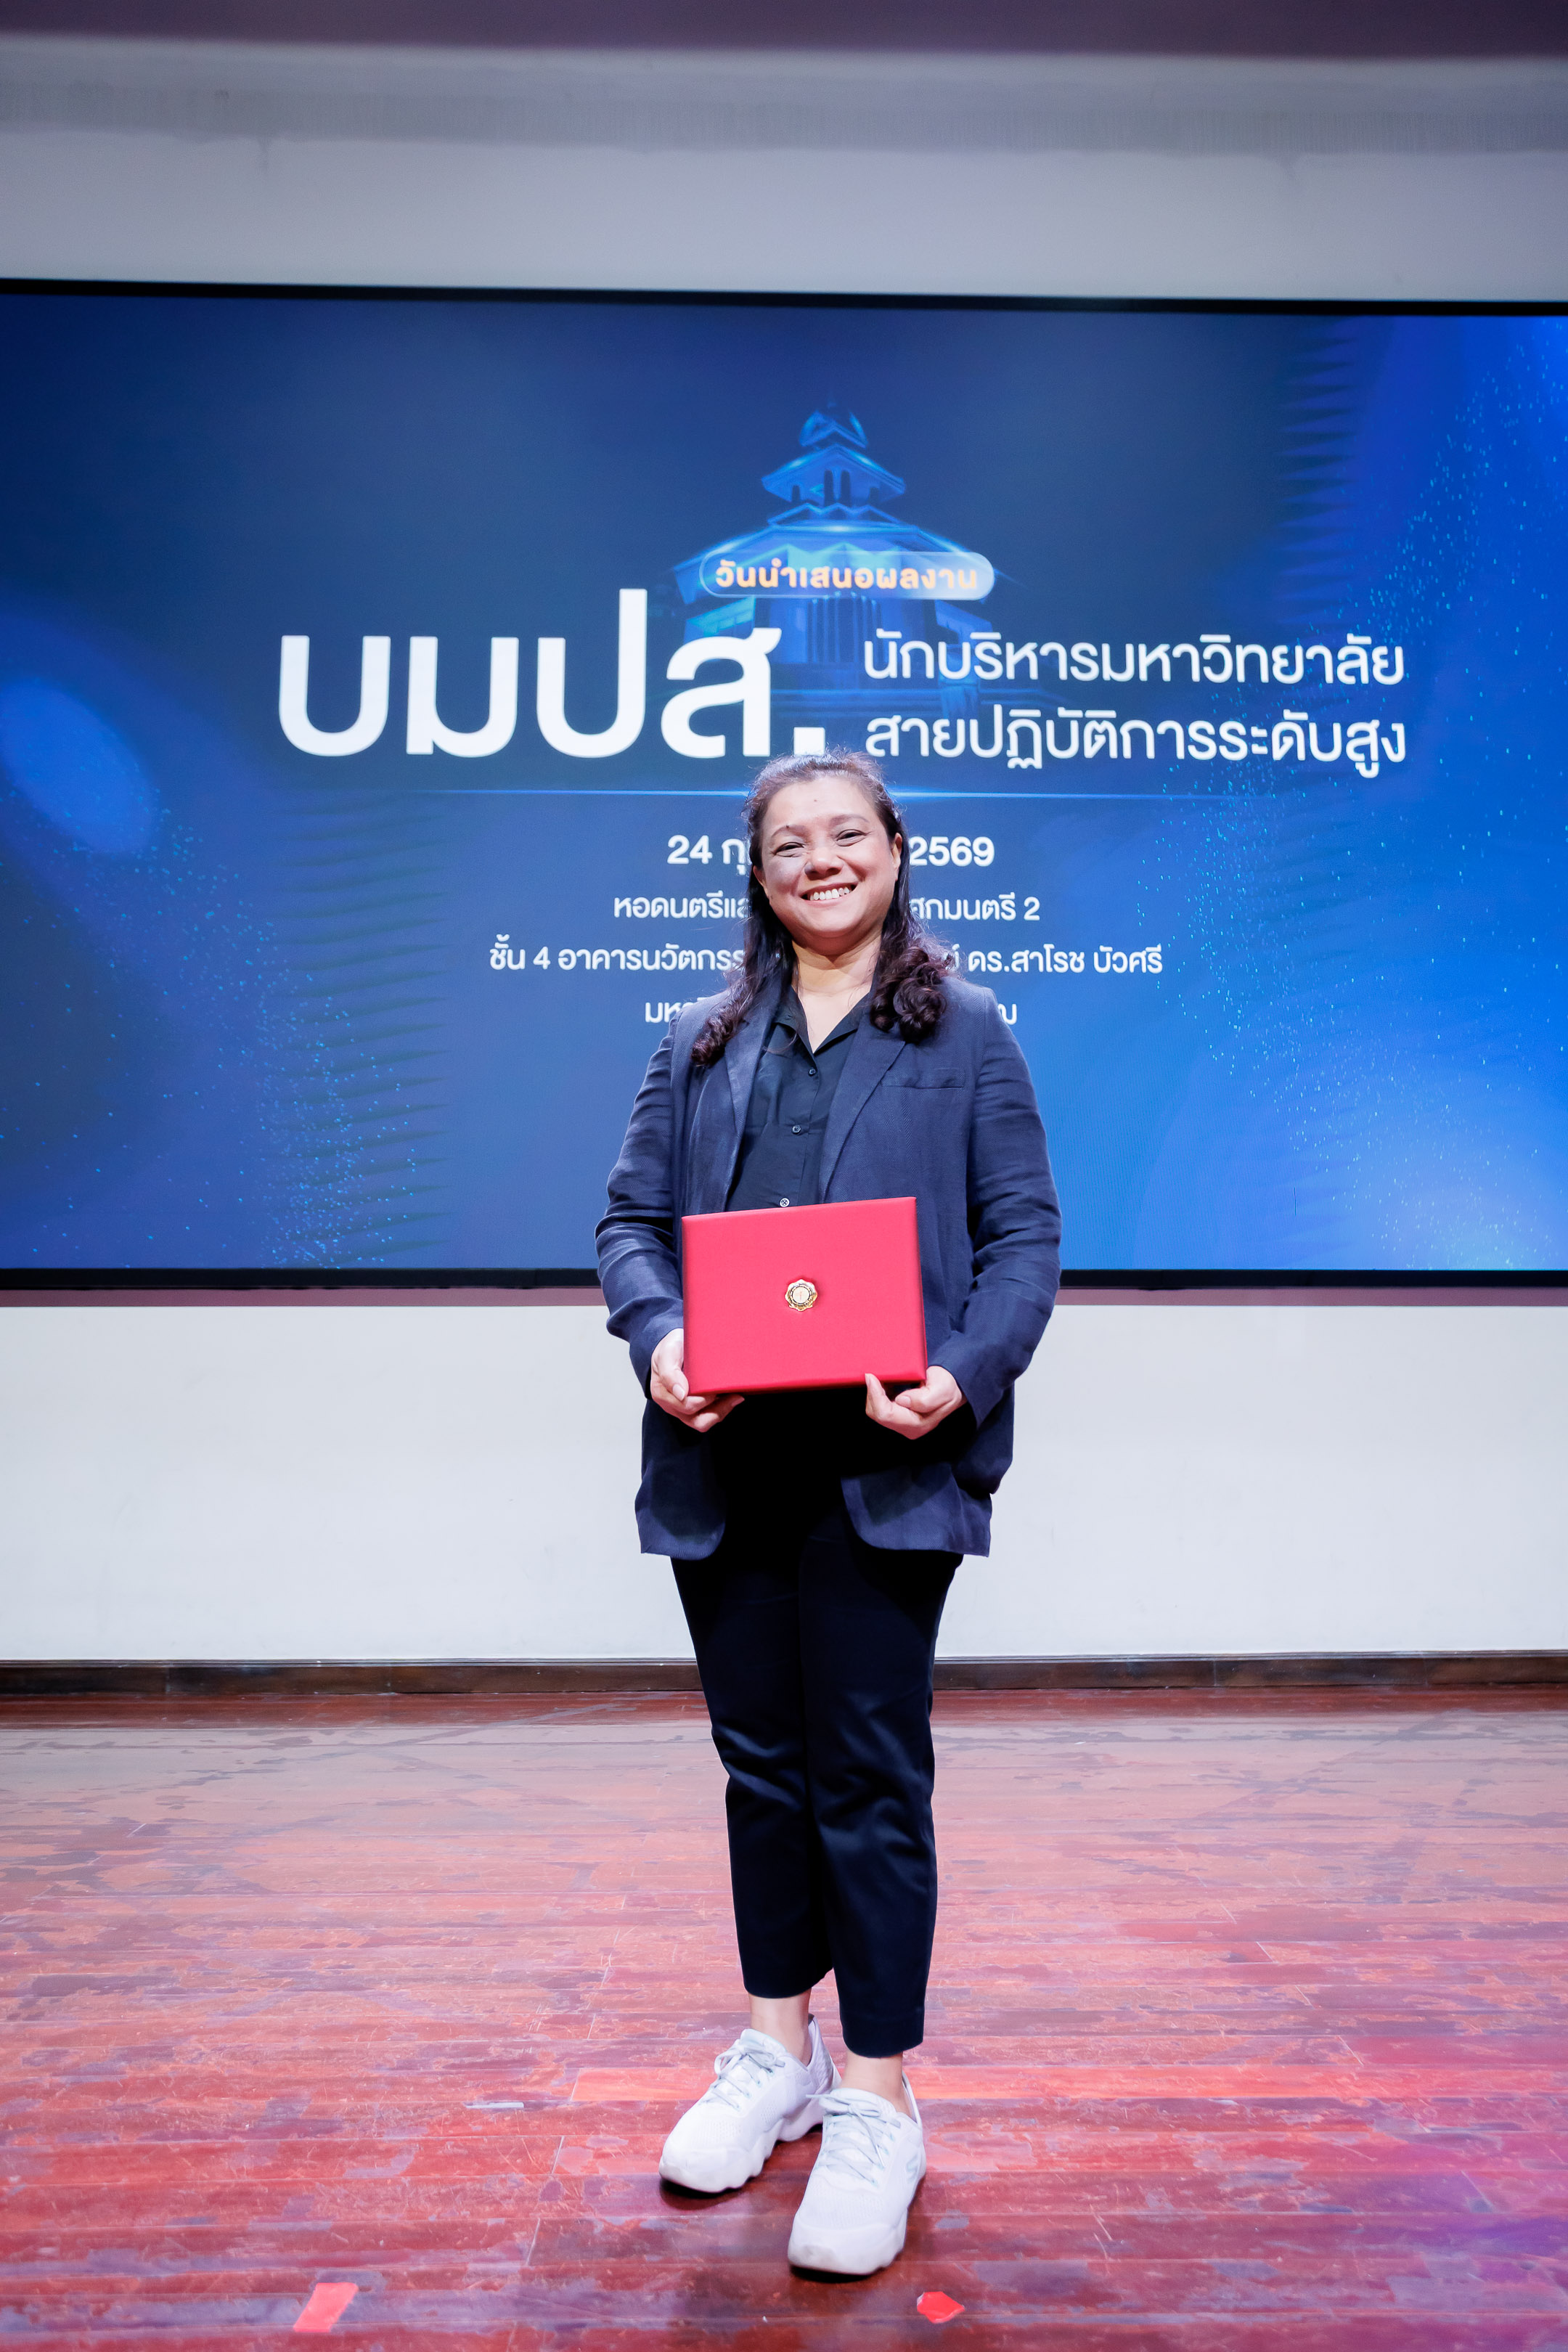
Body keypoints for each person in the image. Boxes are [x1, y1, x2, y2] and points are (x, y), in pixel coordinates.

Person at [597, 748, 1061, 2277]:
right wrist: (660, 1338)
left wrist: (963, 1373)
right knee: (760, 1773)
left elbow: (1023, 1242)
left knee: (869, 1777)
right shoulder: (698, 1038)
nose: (817, 861)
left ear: (894, 851)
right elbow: (628, 1225)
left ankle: (877, 2098)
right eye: (787, 844)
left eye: (844, 835)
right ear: (757, 871)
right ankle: (775, 2056)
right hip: (727, 1468)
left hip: (885, 1468)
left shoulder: (968, 1030)